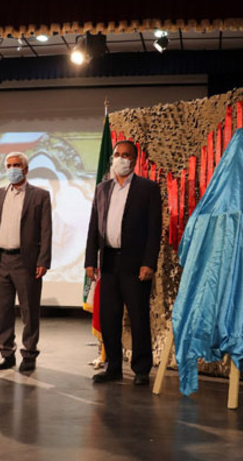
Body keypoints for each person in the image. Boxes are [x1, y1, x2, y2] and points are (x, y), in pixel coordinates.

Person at [85, 140, 162, 386]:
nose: (120, 158)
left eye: (126, 155)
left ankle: (141, 369)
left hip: (136, 264)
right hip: (108, 263)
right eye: (117, 154)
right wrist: (90, 260)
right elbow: (93, 227)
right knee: (109, 318)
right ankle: (113, 367)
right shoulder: (102, 189)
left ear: (135, 160)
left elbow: (154, 229)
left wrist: (149, 262)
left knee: (138, 317)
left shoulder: (148, 189)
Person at [0, 152, 52, 372]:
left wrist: (43, 260)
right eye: (9, 165)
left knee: (29, 311)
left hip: (26, 261)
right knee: (2, 311)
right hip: (0, 260)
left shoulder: (40, 196)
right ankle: (6, 353)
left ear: (26, 169)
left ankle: (29, 354)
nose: (12, 169)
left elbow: (46, 230)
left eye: (17, 165)